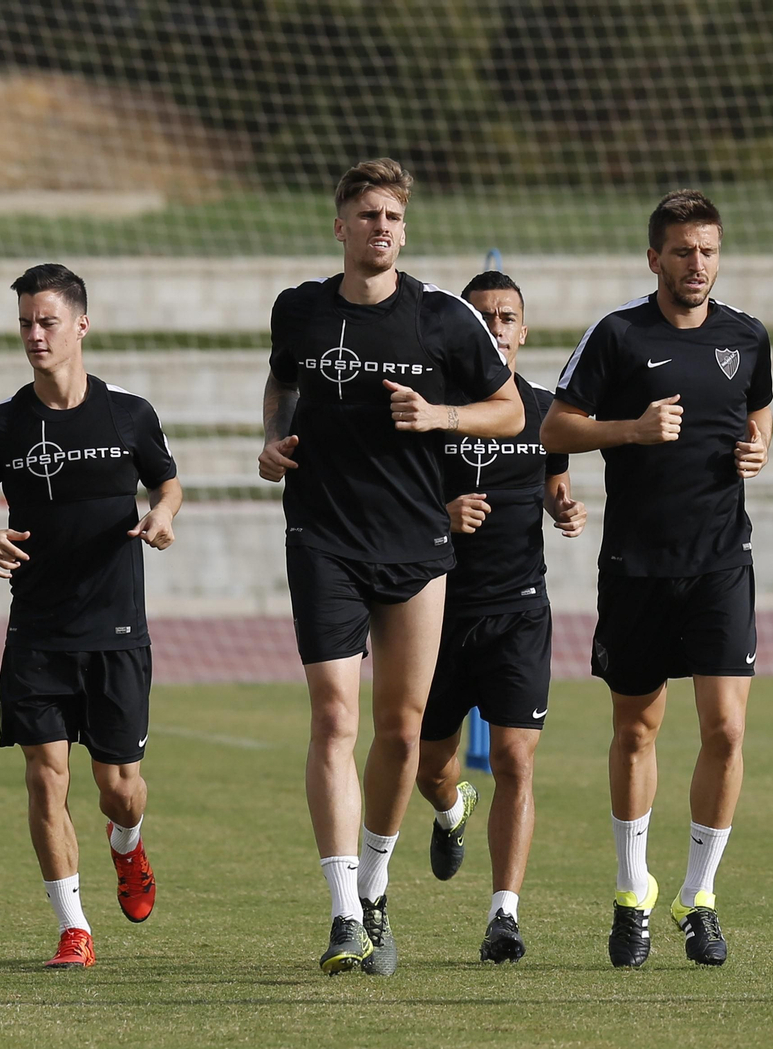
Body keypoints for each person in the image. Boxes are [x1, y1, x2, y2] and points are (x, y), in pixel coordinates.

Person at [258, 159, 524, 975]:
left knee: (402, 732)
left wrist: (441, 413)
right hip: (323, 539)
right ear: (339, 226)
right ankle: (343, 914)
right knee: (336, 719)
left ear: (405, 230)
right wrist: (271, 440)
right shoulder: (299, 309)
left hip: (414, 544)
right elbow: (280, 384)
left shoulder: (443, 319)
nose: (382, 227)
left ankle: (374, 888)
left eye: (394, 217)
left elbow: (510, 408)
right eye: (368, 214)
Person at [541, 190, 773, 968]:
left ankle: (699, 896)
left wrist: (757, 447)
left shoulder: (746, 336)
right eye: (681, 251)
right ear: (654, 258)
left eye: (707, 250)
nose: (696, 264)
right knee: (637, 729)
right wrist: (630, 429)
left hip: (721, 560)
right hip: (637, 564)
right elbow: (554, 426)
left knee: (728, 729)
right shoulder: (618, 334)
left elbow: (759, 411)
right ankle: (632, 889)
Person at [0, 264, 182, 970]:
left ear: (81, 325)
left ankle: (127, 843)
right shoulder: (2, 425)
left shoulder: (128, 414)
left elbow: (166, 481)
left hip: (115, 630)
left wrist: (163, 515)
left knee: (118, 789)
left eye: (47, 321)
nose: (34, 335)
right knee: (44, 777)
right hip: (38, 633)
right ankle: (73, 927)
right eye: (25, 322)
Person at [413, 271, 586, 963]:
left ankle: (503, 915)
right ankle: (452, 810)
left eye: (505, 316)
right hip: (435, 611)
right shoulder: (432, 409)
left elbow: (553, 482)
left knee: (516, 757)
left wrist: (562, 506)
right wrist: (442, 515)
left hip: (518, 609)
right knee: (427, 767)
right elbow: (393, 505)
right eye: (481, 315)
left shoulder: (545, 410)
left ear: (524, 329)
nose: (494, 326)